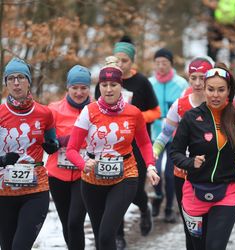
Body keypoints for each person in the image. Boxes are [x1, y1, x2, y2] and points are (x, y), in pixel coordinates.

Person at [66, 56, 160, 250]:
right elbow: (71, 150)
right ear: (99, 86)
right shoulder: (89, 111)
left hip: (125, 175)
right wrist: (84, 165)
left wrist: (150, 165)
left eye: (113, 85)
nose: (109, 89)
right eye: (104, 84)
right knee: (101, 237)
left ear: (121, 86)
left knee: (108, 233)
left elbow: (144, 143)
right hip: (92, 179)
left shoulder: (133, 113)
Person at [170, 63, 235, 250]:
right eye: (211, 89)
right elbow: (175, 152)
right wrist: (190, 162)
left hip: (228, 191)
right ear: (204, 89)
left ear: (229, 90)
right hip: (194, 192)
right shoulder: (191, 118)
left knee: (215, 246)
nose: (215, 95)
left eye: (221, 90)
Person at [105, 36, 160, 249]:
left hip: (136, 144)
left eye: (125, 60)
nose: (120, 64)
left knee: (135, 192)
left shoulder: (142, 82)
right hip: (111, 145)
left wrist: (135, 118)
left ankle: (144, 209)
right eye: (117, 59)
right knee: (113, 190)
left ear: (132, 62)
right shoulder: (106, 80)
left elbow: (156, 112)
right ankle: (118, 236)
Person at [153, 57, 214, 250]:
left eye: (202, 78)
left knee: (210, 230)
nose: (197, 83)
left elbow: (234, 139)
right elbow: (164, 135)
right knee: (191, 230)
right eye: (193, 77)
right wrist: (153, 156)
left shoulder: (220, 104)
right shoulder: (180, 105)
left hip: (213, 175)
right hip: (184, 175)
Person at [0, 57, 59, 250]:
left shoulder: (44, 113)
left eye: (21, 77)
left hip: (35, 191)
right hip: (4, 192)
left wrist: (52, 146)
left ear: (29, 81)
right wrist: (2, 160)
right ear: (6, 83)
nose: (16, 83)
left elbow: (53, 140)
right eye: (11, 78)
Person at [45, 65, 92, 250]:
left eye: (83, 88)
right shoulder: (53, 110)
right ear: (68, 88)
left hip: (84, 173)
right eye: (75, 88)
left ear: (89, 88)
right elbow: (45, 137)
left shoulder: (96, 109)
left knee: (75, 222)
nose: (79, 92)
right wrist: (55, 141)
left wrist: (72, 140)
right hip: (58, 174)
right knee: (67, 224)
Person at [149, 47, 189, 222]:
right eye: (157, 63)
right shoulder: (150, 83)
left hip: (175, 136)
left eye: (164, 63)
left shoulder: (181, 84)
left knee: (171, 173)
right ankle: (158, 197)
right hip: (156, 134)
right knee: (155, 169)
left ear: (171, 64)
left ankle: (170, 208)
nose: (161, 66)